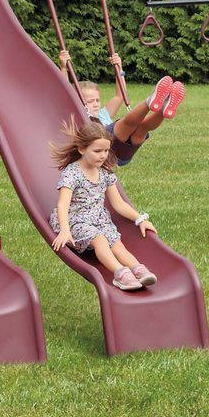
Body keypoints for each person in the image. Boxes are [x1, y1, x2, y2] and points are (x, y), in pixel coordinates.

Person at [48, 117, 160, 291]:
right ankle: (120, 274)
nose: (103, 155)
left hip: (99, 220)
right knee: (100, 240)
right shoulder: (72, 173)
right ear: (82, 149)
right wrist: (64, 230)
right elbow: (63, 204)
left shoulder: (105, 173)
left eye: (106, 151)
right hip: (75, 221)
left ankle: (138, 269)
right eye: (97, 151)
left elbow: (118, 203)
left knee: (116, 243)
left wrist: (140, 219)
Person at [71, 67, 186, 165]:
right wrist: (63, 68)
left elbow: (119, 96)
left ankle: (163, 109)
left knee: (143, 126)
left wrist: (119, 69)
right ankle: (149, 102)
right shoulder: (79, 117)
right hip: (103, 150)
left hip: (123, 154)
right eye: (90, 101)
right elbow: (62, 97)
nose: (95, 104)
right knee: (126, 123)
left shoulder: (103, 114)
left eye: (97, 100)